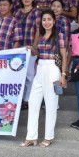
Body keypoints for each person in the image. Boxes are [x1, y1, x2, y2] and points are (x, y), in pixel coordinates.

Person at [20, 10, 67, 148]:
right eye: (44, 19)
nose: (46, 22)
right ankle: (31, 137)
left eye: (49, 19)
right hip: (40, 69)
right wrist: (30, 48)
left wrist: (63, 75)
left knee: (51, 104)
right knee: (33, 102)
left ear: (54, 21)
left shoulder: (59, 36)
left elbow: (64, 56)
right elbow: (38, 53)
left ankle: (48, 137)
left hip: (52, 69)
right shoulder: (40, 36)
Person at [13, 0, 41, 110]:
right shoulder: (17, 12)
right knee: (18, 75)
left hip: (30, 47)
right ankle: (19, 98)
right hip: (19, 48)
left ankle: (27, 99)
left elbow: (38, 30)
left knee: (30, 75)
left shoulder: (36, 12)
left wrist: (34, 47)